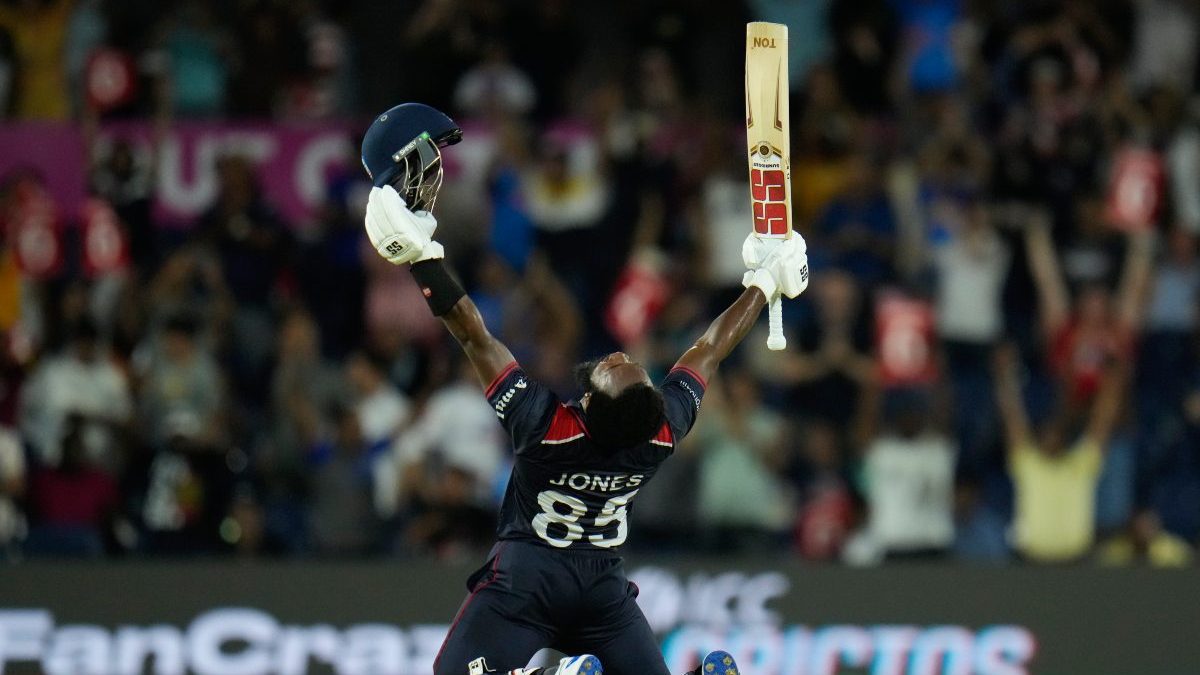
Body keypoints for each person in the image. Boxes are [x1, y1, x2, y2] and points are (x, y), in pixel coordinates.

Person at [359, 103, 810, 675]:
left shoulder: (544, 425)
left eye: (614, 366)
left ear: (591, 400)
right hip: (600, 590)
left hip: (525, 582)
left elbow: (473, 335)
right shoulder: (661, 428)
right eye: (636, 367)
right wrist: (765, 282)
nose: (623, 357)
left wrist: (422, 258)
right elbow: (711, 349)